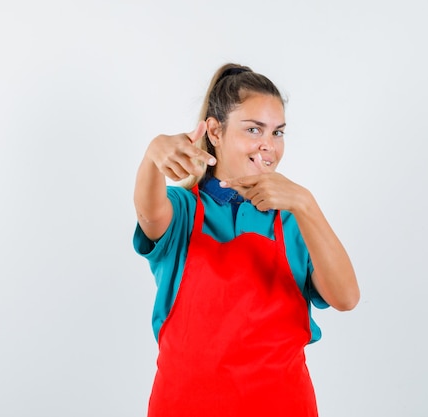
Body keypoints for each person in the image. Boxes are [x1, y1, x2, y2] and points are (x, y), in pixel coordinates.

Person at [132, 63, 360, 417]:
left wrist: (304, 203)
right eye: (254, 129)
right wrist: (152, 157)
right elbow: (149, 211)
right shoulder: (184, 211)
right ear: (215, 132)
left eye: (278, 132)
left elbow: (346, 298)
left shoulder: (295, 220)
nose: (268, 146)